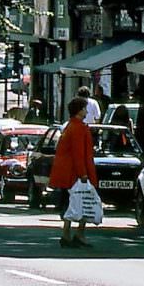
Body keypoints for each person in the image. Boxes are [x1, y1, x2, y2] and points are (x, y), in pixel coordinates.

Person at [49, 96, 99, 249]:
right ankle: (77, 233)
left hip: (69, 171)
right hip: (76, 172)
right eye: (84, 108)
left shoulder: (70, 126)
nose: (86, 110)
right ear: (79, 111)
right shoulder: (78, 128)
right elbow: (78, 153)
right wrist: (83, 174)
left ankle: (69, 233)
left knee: (74, 202)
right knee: (82, 200)